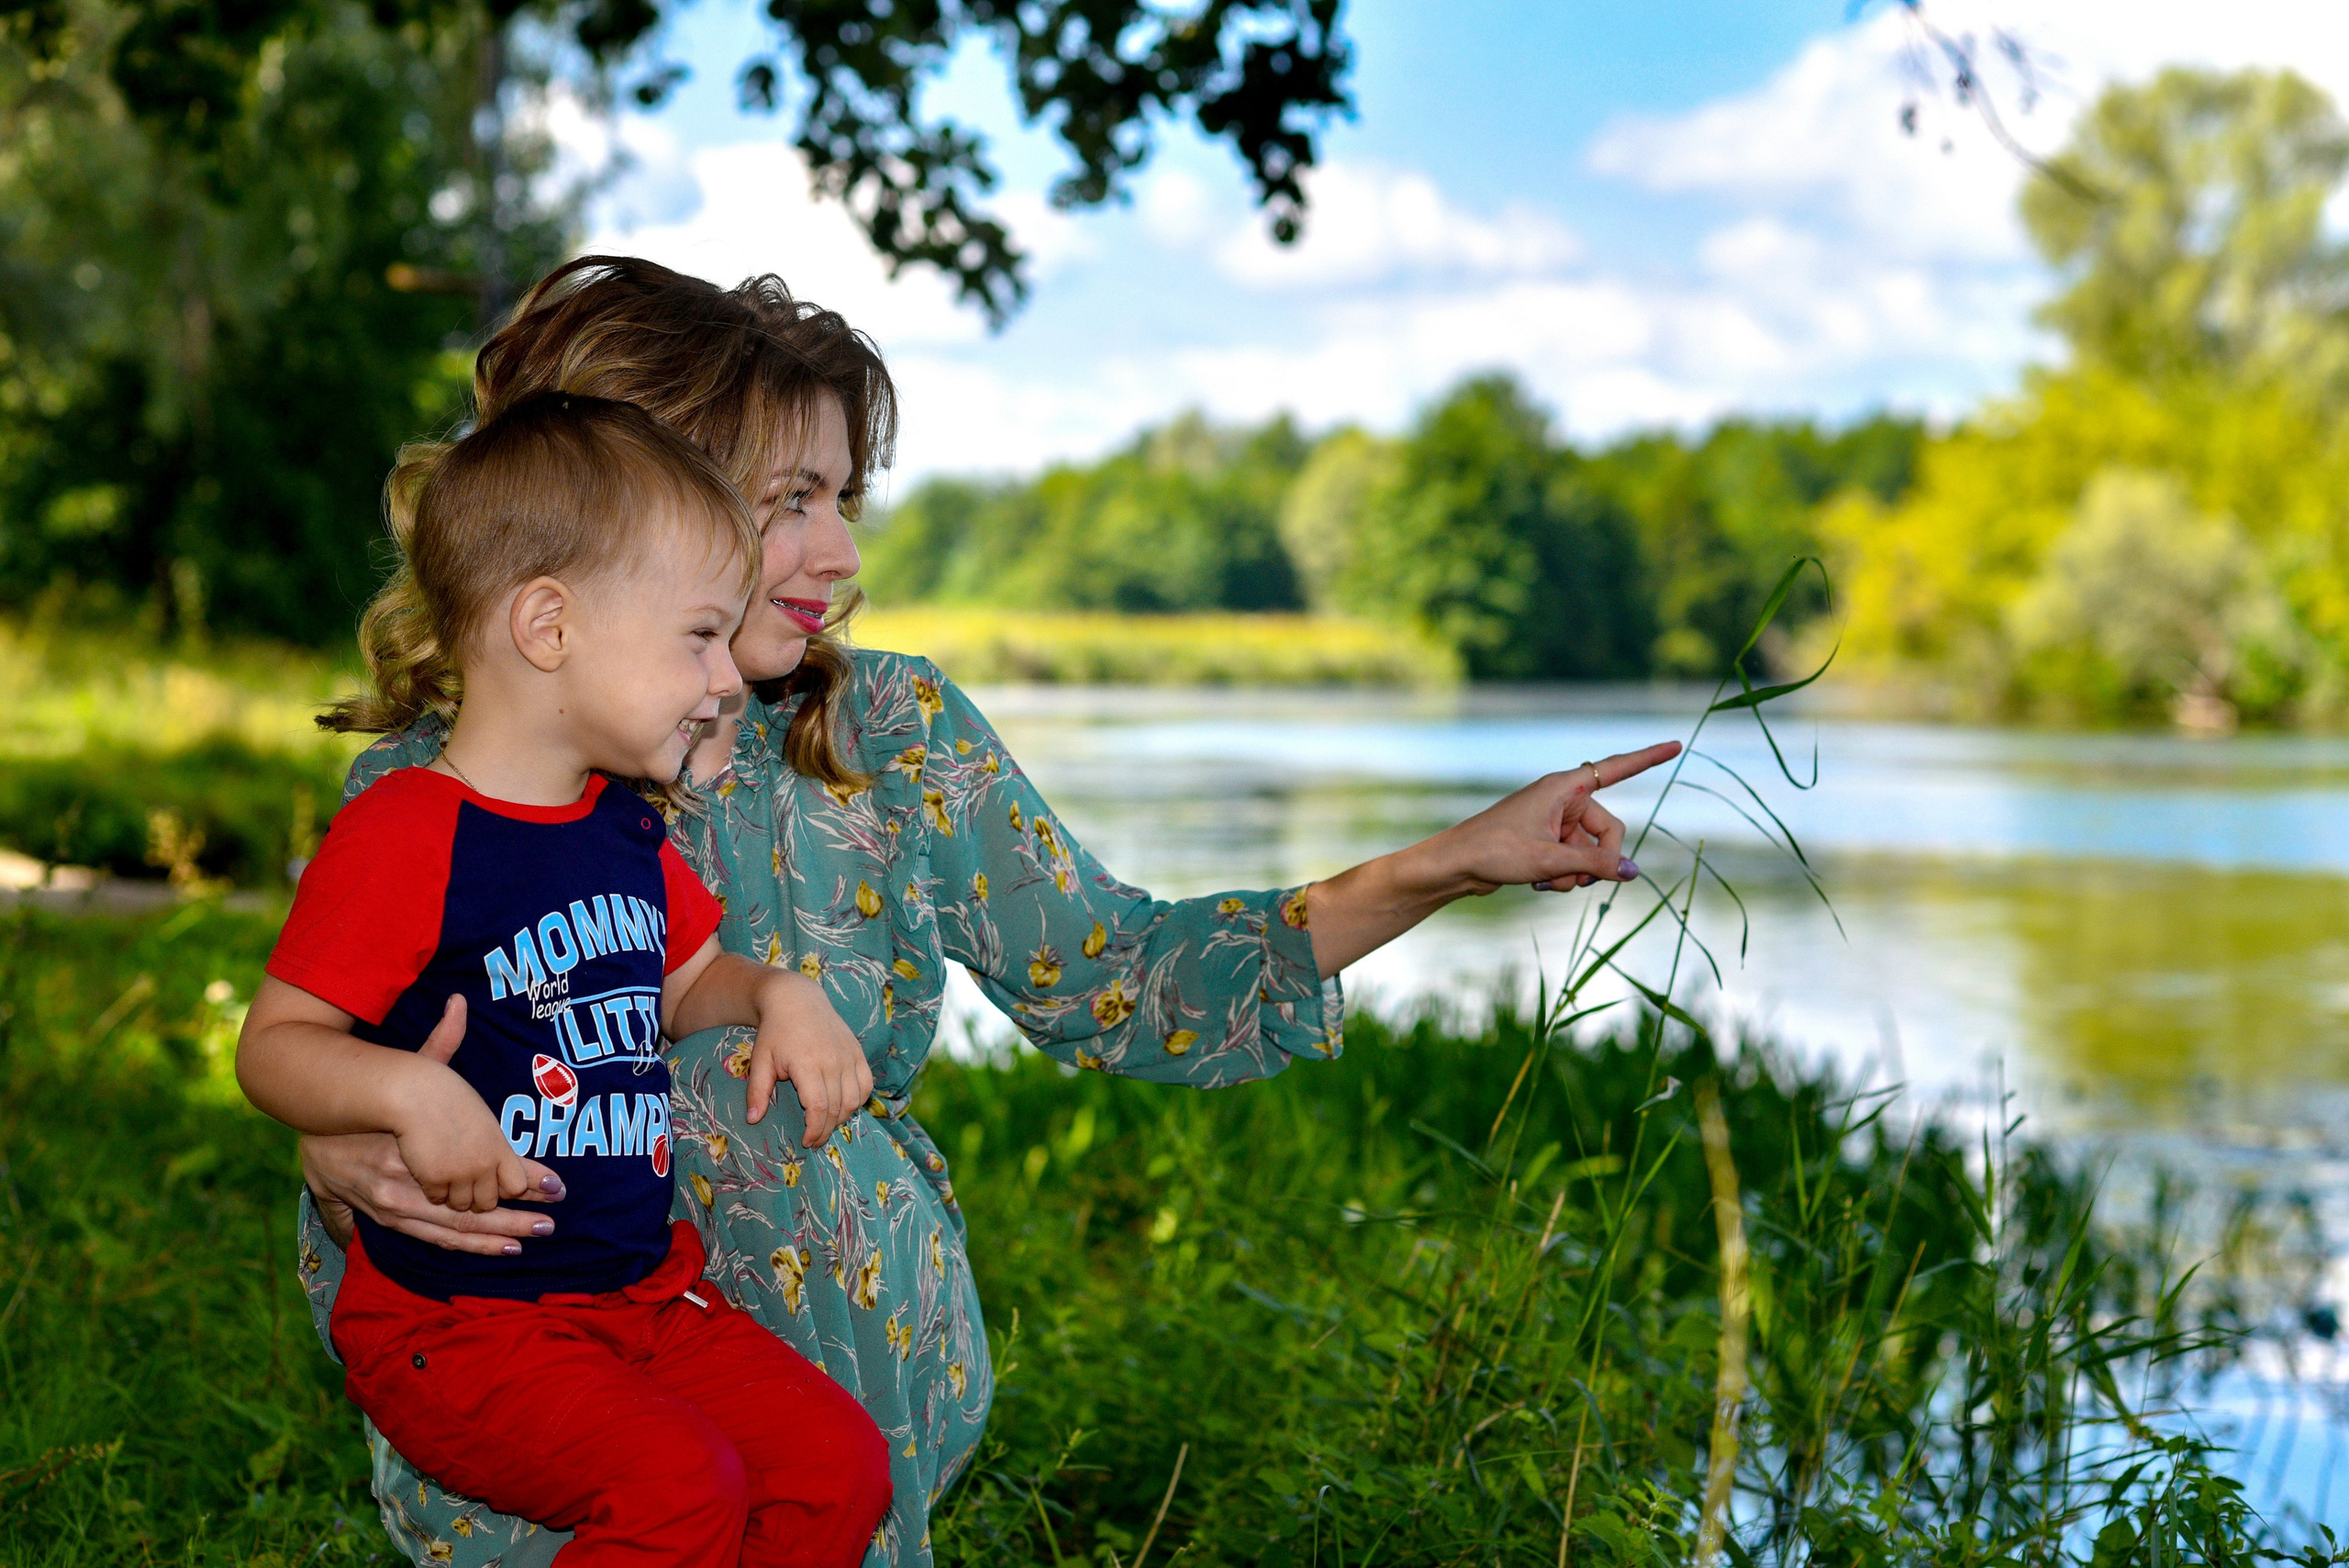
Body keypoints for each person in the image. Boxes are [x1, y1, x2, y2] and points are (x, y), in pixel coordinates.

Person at [292, 255, 1682, 1568]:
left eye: (849, 497)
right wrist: (343, 1151)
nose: (838, 553)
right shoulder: (437, 791)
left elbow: (1124, 976)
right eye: (789, 501)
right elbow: (331, 1072)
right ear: (641, 505)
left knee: (768, 1087)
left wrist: (1448, 862)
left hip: (825, 1383)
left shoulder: (893, 729)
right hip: (536, 1385)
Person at [243, 394, 892, 1566]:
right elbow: (276, 1043)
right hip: (459, 1320)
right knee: (680, 1489)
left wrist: (777, 992)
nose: (726, 677)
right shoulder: (410, 832)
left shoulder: (619, 828)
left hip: (638, 1296)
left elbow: (689, 980)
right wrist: (406, 1091)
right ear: (549, 625)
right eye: (697, 636)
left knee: (834, 1469)